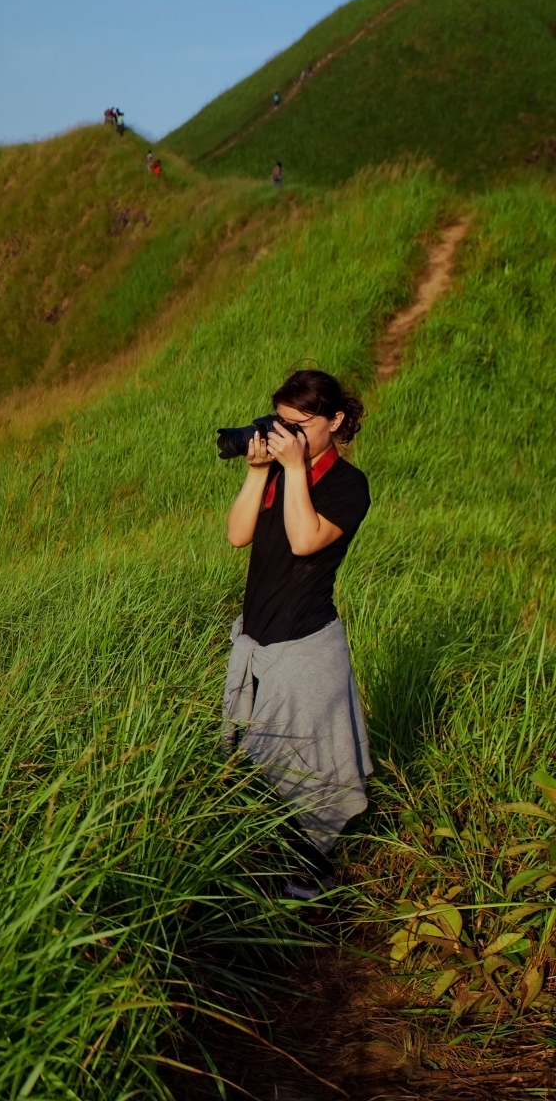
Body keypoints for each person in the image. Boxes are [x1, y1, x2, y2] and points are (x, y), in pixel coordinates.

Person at [222, 370, 373, 899]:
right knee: (255, 768)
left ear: (334, 422)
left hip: (305, 645)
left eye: (299, 424)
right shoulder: (279, 474)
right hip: (258, 644)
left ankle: (314, 880)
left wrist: (292, 471)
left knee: (304, 772)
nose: (286, 433)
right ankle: (284, 872)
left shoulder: (348, 486)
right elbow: (238, 535)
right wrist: (259, 472)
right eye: (279, 421)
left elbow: (306, 540)